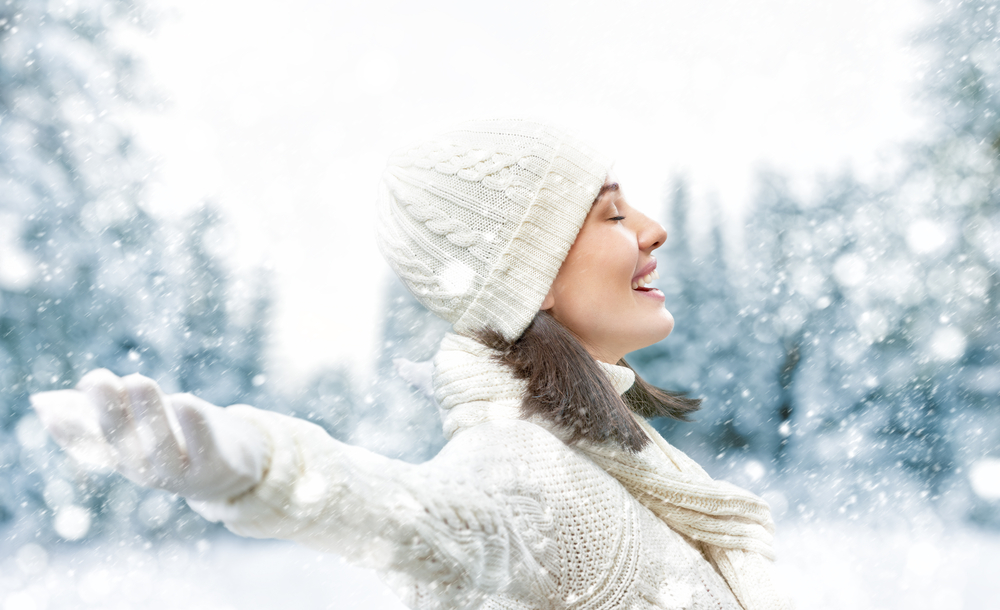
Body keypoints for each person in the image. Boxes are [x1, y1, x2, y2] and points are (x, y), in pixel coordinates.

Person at [31, 120, 789, 610]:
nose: (652, 230)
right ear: (535, 281)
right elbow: (422, 516)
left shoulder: (624, 464)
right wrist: (257, 468)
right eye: (613, 215)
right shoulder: (522, 460)